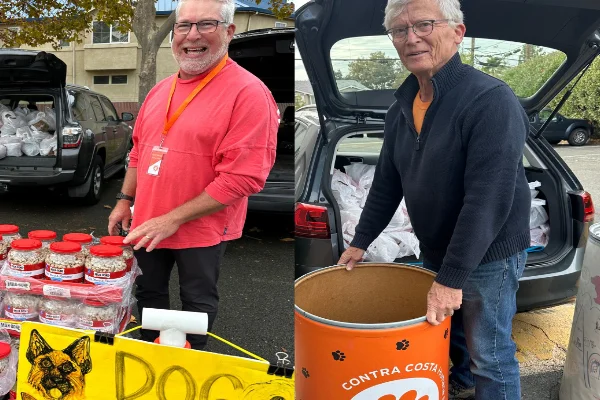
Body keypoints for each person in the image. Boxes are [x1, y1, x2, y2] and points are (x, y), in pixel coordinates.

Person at [338, 0, 530, 399]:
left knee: (490, 357)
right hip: (437, 246)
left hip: (488, 254)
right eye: (399, 31)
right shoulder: (401, 108)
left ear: (457, 33)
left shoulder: (491, 100)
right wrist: (360, 240)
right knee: (451, 334)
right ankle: (460, 382)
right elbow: (387, 184)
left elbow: (487, 199)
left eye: (424, 25)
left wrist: (451, 277)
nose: (411, 38)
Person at [107, 0, 279, 350]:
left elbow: (243, 178)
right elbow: (140, 152)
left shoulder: (248, 93)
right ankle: (150, 358)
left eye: (206, 25)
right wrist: (125, 201)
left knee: (196, 301)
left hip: (203, 229)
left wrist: (172, 219)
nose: (192, 36)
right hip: (147, 221)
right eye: (183, 26)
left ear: (229, 32)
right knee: (148, 292)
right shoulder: (160, 90)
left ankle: (189, 364)